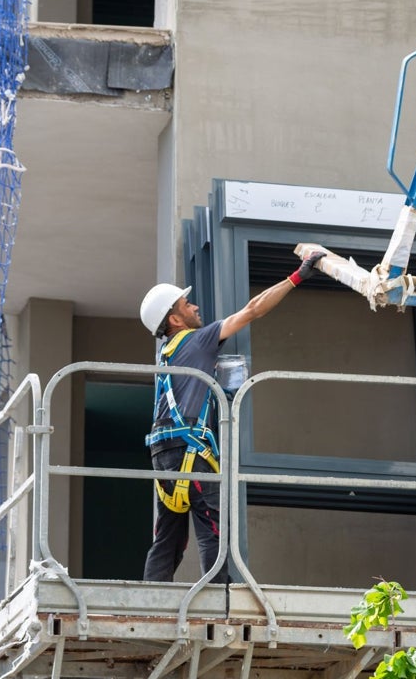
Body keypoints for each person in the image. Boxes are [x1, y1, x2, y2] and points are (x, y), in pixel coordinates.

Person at [138, 250, 325, 583]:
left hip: (163, 455)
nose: (194, 307)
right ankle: (217, 602)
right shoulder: (198, 340)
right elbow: (253, 310)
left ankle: (150, 600)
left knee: (167, 538)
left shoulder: (166, 355)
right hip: (189, 452)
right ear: (176, 320)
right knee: (214, 530)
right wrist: (297, 276)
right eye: (186, 305)